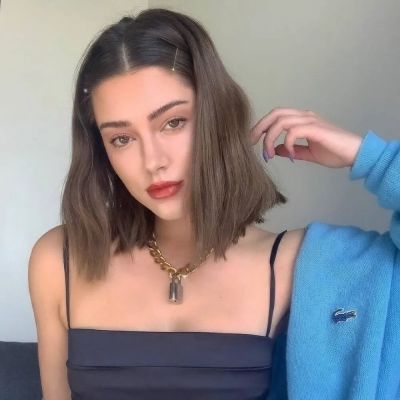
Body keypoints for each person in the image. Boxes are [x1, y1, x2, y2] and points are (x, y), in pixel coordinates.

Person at [27, 7, 399, 400]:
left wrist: (373, 160)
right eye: (122, 138)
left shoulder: (293, 263)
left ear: (216, 118)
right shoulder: (60, 259)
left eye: (173, 122)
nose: (153, 161)